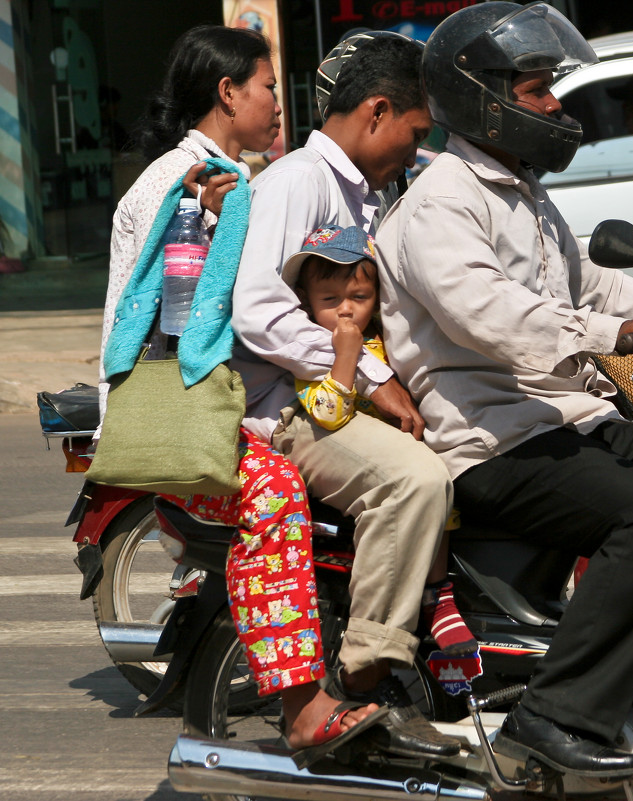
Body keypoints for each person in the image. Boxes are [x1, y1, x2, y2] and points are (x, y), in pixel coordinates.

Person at [374, 1, 633, 785]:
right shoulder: (443, 202)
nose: (555, 107)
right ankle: (557, 713)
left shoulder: (521, 192)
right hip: (491, 439)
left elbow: (591, 282)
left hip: (561, 417)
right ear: (482, 96)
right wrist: (622, 337)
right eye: (538, 90)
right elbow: (490, 315)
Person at [99, 25, 378, 765]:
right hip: (182, 413)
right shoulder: (181, 183)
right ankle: (300, 705)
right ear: (228, 93)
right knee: (276, 492)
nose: (279, 106)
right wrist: (203, 219)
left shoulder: (231, 175)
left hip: (215, 399)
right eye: (266, 88)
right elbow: (154, 308)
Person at [230, 31, 459, 759]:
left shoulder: (363, 193)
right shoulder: (298, 181)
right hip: (288, 406)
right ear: (377, 111)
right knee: (416, 480)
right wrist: (366, 374)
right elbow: (257, 310)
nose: (415, 151)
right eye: (414, 134)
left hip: (335, 391)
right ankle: (369, 667)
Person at [282, 223, 477, 656]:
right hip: (354, 451)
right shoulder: (312, 351)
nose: (346, 311)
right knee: (420, 482)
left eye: (359, 298)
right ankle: (398, 620)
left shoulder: (387, 339)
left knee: (444, 488)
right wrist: (347, 357)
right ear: (307, 303)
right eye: (330, 301)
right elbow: (328, 414)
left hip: (405, 437)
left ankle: (439, 592)